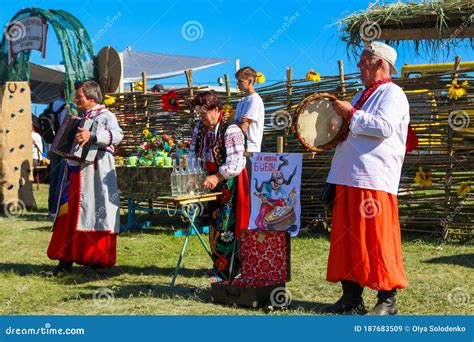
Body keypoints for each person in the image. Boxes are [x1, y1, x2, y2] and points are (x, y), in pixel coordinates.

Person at [325, 42, 409, 315]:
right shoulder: (363, 93)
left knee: (376, 238)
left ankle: (387, 299)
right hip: (348, 175)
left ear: (380, 63)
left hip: (374, 178)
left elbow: (384, 128)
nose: (359, 65)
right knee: (347, 240)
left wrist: (351, 113)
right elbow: (353, 129)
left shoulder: (393, 94)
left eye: (364, 60)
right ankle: (351, 298)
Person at [46, 80, 123, 276]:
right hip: (74, 173)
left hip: (95, 176)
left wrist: (93, 136)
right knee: (69, 216)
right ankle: (65, 261)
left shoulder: (107, 116)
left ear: (91, 97)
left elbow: (117, 135)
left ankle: (94, 261)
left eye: (79, 96)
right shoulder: (80, 118)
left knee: (94, 215)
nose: (75, 99)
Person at [188, 91, 250, 281]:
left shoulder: (231, 129)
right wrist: (193, 174)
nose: (201, 118)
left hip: (230, 181)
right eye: (199, 114)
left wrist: (217, 176)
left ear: (216, 110)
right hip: (212, 179)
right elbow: (193, 153)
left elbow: (236, 162)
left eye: (204, 113)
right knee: (214, 223)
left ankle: (230, 270)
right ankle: (219, 265)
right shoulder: (200, 127)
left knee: (228, 224)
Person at [46, 83, 68, 218]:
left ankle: (51, 208)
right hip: (64, 146)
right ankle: (57, 209)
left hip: (53, 145)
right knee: (62, 177)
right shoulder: (68, 107)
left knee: (54, 178)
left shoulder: (51, 105)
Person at [234, 66, 265, 153]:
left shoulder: (255, 100)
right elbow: (237, 123)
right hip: (240, 146)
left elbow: (244, 126)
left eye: (240, 81)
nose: (237, 84)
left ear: (250, 81)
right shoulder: (242, 101)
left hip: (250, 149)